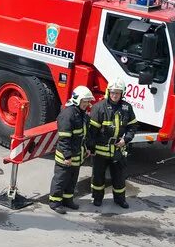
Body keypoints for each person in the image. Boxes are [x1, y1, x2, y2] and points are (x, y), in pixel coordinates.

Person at [87, 78, 137, 209]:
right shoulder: (99, 107)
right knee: (98, 177)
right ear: (108, 92)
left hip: (118, 150)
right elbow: (92, 132)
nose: (115, 95)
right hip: (101, 150)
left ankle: (120, 199)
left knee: (119, 177)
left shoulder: (127, 107)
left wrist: (125, 140)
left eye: (118, 93)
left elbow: (132, 127)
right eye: (112, 92)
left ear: (122, 93)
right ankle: (97, 198)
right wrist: (90, 148)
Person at [49, 86, 94, 214]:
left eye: (87, 101)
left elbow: (84, 134)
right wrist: (67, 156)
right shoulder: (68, 114)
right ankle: (54, 202)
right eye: (84, 101)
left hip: (77, 154)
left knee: (72, 179)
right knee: (61, 179)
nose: (86, 104)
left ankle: (68, 200)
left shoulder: (81, 113)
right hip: (66, 156)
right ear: (77, 100)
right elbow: (64, 139)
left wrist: (87, 148)